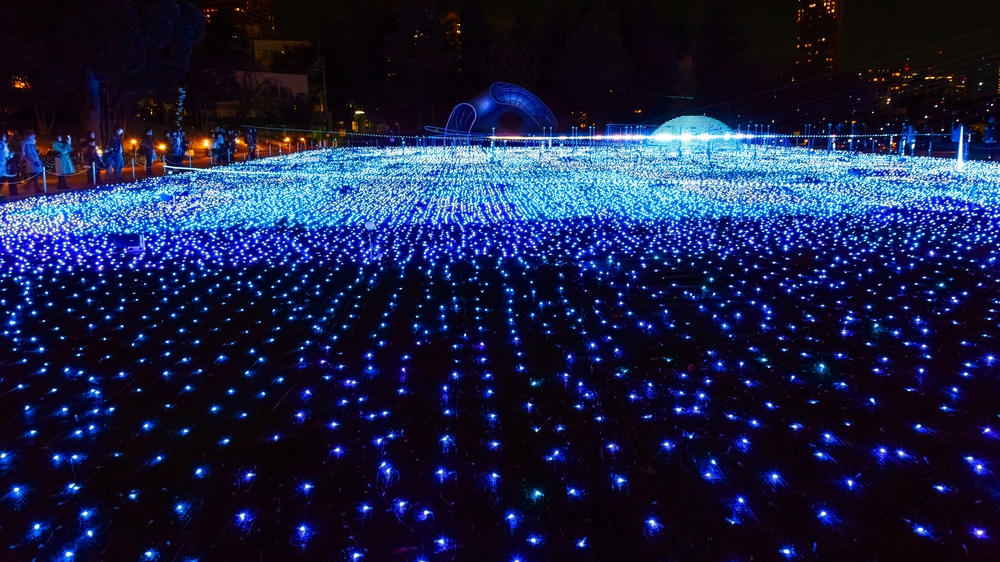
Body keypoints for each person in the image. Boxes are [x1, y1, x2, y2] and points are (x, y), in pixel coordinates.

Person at [1, 132, 16, 196]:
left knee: (3, 179)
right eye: (4, 136)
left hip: (4, 163)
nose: (6, 137)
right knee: (2, 179)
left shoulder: (3, 144)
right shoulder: (1, 144)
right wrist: (10, 155)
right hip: (3, 164)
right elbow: (3, 155)